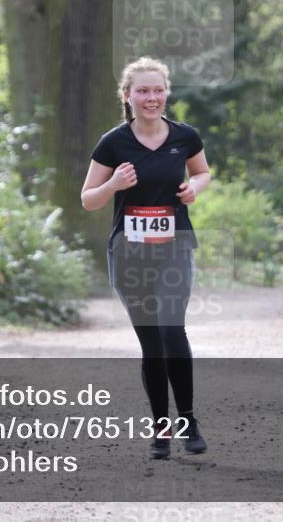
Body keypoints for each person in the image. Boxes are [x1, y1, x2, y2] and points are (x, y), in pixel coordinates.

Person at [81, 56, 211, 460]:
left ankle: (188, 420)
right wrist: (115, 183)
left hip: (174, 246)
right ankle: (160, 428)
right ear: (128, 95)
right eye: (142, 90)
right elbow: (87, 199)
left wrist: (195, 188)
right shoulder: (113, 142)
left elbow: (203, 172)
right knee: (152, 343)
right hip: (130, 252)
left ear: (166, 93)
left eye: (157, 90)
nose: (151, 97)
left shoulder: (185, 136)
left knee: (173, 330)